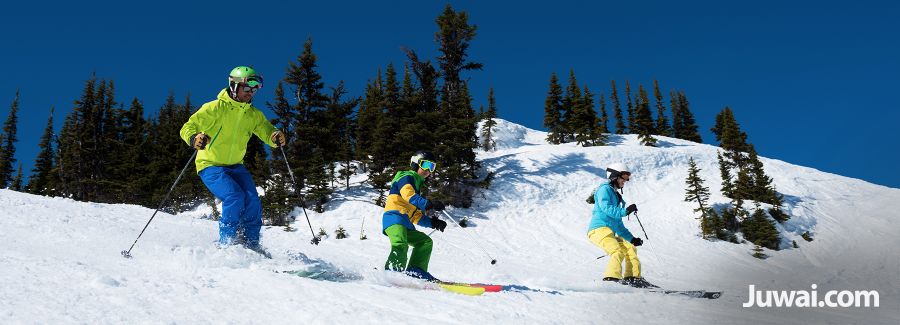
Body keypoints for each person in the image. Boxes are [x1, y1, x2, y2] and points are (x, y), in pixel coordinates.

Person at [179, 66, 286, 255]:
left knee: (252, 200)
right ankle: (227, 243)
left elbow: (266, 131)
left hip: (236, 166)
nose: (250, 93)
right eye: (247, 88)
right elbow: (189, 126)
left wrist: (275, 136)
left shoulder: (252, 114)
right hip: (210, 165)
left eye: (254, 89)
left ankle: (251, 245)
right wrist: (194, 137)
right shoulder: (214, 108)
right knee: (234, 196)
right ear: (234, 86)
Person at [587, 163, 657, 288]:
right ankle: (611, 280)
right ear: (614, 176)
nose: (625, 181)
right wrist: (625, 211)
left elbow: (619, 225)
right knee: (617, 251)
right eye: (623, 177)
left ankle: (633, 278)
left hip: (608, 231)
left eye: (626, 178)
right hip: (598, 229)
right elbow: (606, 208)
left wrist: (632, 239)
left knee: (630, 247)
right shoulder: (604, 189)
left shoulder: (616, 196)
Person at [382, 151, 448, 282]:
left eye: (432, 167)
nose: (428, 170)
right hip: (394, 218)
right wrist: (428, 204)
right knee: (400, 244)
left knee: (424, 242)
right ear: (415, 163)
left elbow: (415, 216)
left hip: (405, 223)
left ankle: (415, 271)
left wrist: (433, 223)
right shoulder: (406, 177)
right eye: (426, 165)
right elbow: (408, 195)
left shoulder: (417, 186)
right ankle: (392, 275)